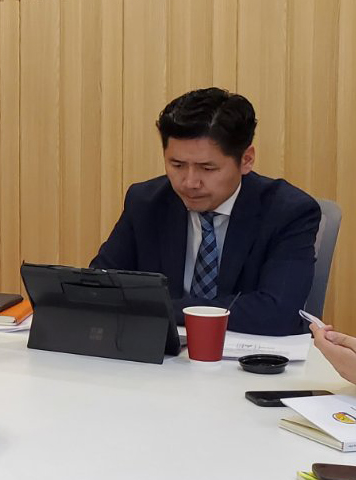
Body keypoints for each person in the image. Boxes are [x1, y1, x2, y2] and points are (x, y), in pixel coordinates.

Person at [91, 87, 320, 336]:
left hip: (248, 355)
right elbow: (99, 287)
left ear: (246, 160)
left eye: (207, 168)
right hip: (162, 354)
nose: (190, 182)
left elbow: (277, 312)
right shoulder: (146, 203)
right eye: (177, 165)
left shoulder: (288, 212)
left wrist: (162, 308)